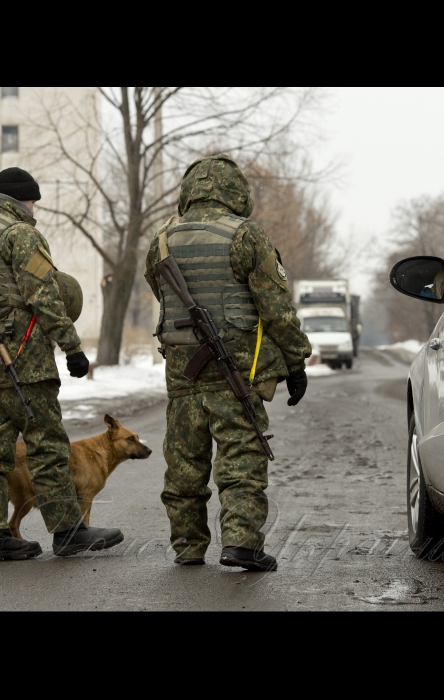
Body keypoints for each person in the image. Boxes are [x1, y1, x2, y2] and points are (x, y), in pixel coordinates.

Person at [145, 154, 313, 572]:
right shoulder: (246, 236)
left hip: (182, 373)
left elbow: (161, 291)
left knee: (184, 462)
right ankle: (240, 543)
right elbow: (275, 307)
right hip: (234, 371)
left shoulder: (161, 240)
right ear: (236, 191)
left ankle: (187, 546)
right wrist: (296, 361)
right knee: (241, 457)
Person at [0, 167, 123, 562]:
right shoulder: (20, 234)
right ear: (23, 200)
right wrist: (73, 347)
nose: (34, 209)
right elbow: (43, 296)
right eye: (33, 202)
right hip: (24, 360)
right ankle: (69, 531)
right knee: (47, 445)